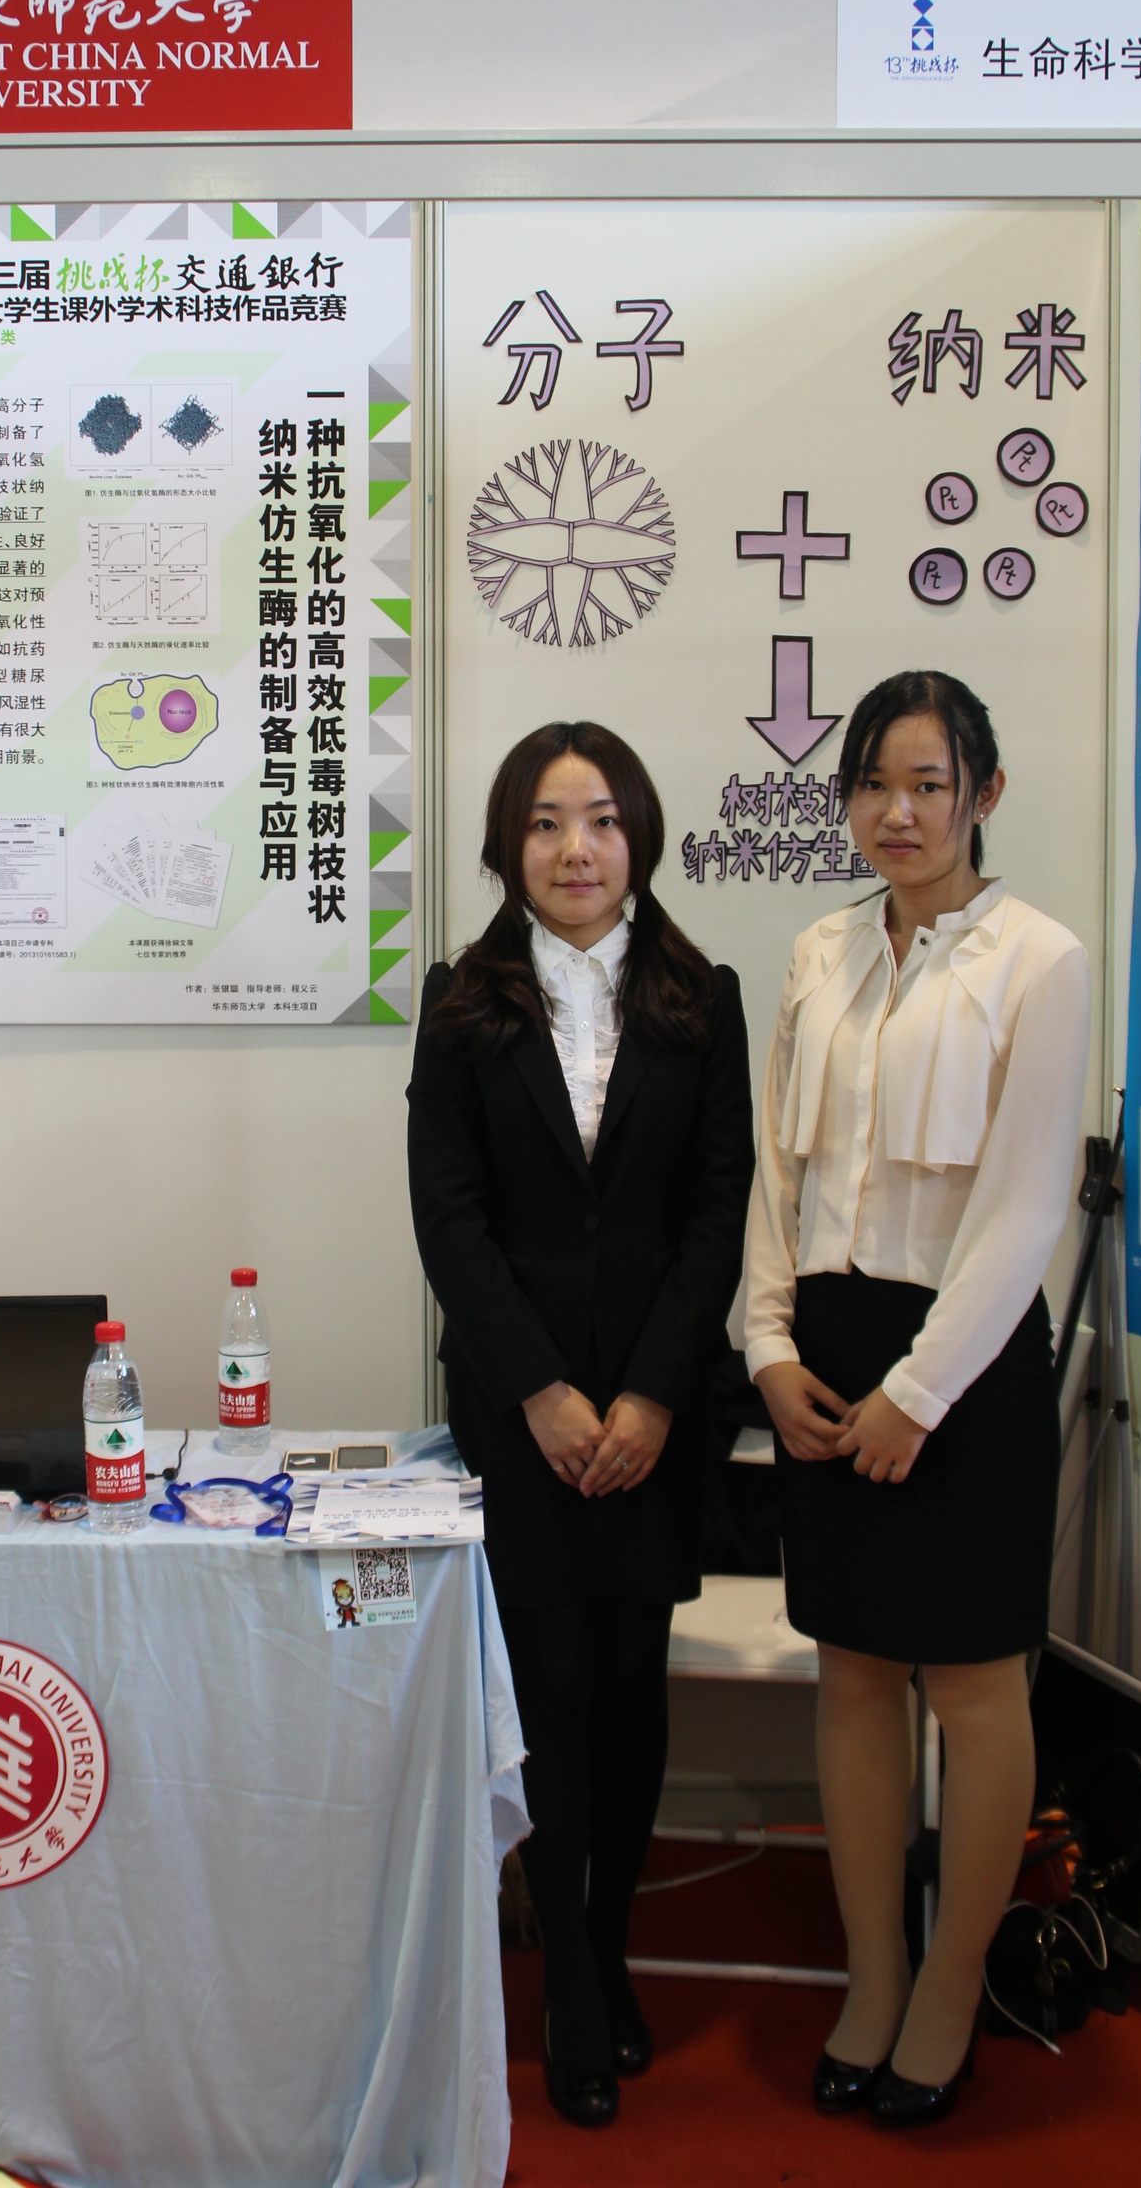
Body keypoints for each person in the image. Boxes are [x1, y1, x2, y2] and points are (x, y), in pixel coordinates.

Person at [744, 670, 1090, 2129]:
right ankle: (873, 1977)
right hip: (826, 1351)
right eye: (873, 784)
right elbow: (776, 1174)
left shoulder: (1039, 959)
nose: (898, 811)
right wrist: (767, 1346)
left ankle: (949, 1993)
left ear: (983, 794)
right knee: (853, 1671)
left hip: (969, 1356)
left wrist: (920, 1392)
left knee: (972, 1681)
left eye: (929, 783)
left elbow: (1026, 1206)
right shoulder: (819, 953)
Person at [406, 720, 754, 2130]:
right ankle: (563, 1977)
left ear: (639, 836)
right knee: (546, 1686)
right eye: (547, 823)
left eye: (602, 819)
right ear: (510, 845)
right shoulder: (461, 1002)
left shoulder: (703, 997)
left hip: (659, 1412)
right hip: (524, 1412)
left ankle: (610, 1950)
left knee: (631, 1683)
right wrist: (544, 1394)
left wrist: (655, 1393)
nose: (576, 849)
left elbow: (719, 1209)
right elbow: (450, 1218)